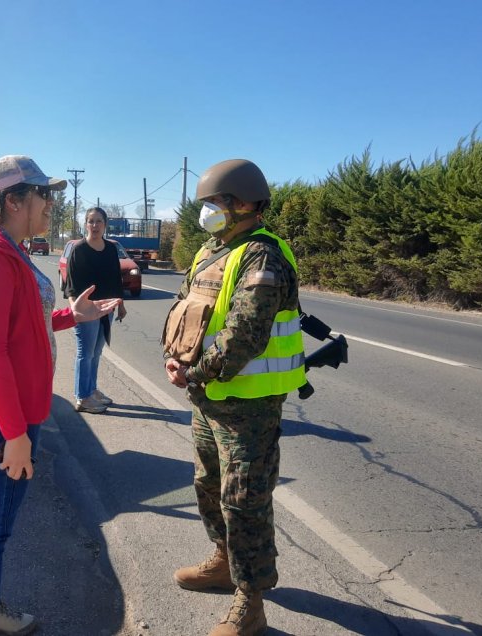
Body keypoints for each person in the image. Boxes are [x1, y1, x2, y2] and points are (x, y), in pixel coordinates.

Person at [0, 155, 121, 636]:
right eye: (44, 194)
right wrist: (14, 434)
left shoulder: (11, 247)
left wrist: (72, 316)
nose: (52, 202)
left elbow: (24, 322)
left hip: (10, 416)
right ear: (13, 200)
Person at [161, 159, 306, 636]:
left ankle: (251, 600)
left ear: (242, 204)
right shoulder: (211, 250)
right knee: (207, 486)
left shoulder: (263, 256)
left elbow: (243, 336)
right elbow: (189, 309)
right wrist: (177, 358)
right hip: (208, 398)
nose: (206, 212)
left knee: (244, 500)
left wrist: (194, 373)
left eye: (214, 203)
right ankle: (224, 563)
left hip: (250, 408)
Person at [63, 206, 127, 413]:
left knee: (97, 352)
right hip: (87, 311)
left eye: (99, 221)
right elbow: (70, 285)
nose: (95, 225)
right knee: (86, 353)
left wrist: (121, 304)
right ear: (85, 225)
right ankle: (83, 397)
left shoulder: (110, 248)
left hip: (106, 309)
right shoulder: (79, 250)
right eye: (91, 221)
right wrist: (76, 311)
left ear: (105, 225)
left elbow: (116, 278)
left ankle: (91, 390)